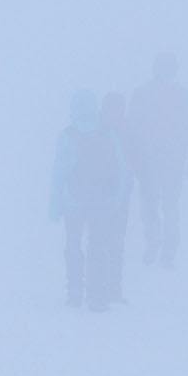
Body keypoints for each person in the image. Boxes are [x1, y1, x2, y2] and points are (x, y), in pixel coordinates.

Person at [48, 89, 126, 311]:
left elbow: (59, 173)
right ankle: (96, 296)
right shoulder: (108, 133)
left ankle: (74, 293)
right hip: (102, 202)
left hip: (73, 202)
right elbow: (121, 169)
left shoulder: (66, 135)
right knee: (98, 247)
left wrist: (54, 207)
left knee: (73, 246)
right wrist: (116, 200)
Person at [126, 52, 188, 268]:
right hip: (157, 161)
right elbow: (132, 129)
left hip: (159, 161)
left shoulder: (148, 94)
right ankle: (162, 247)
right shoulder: (179, 96)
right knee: (164, 206)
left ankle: (160, 246)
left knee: (159, 205)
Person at [98, 91, 133, 304]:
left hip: (114, 193)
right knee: (107, 241)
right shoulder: (118, 129)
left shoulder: (123, 129)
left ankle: (109, 288)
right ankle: (106, 288)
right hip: (107, 193)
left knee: (110, 241)